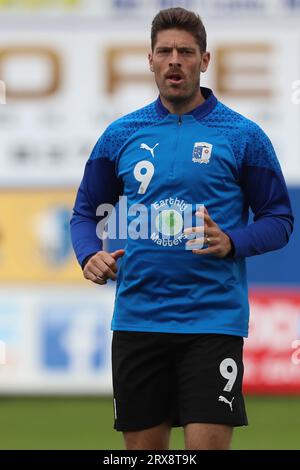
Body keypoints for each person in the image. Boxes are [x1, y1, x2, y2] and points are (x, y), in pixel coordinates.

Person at [70, 7, 294, 450]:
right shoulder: (121, 134)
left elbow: (280, 219)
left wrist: (233, 241)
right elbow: (84, 213)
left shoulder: (243, 136)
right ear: (150, 60)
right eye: (165, 51)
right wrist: (88, 254)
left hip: (213, 322)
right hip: (139, 320)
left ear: (204, 60)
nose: (175, 60)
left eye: (186, 52)